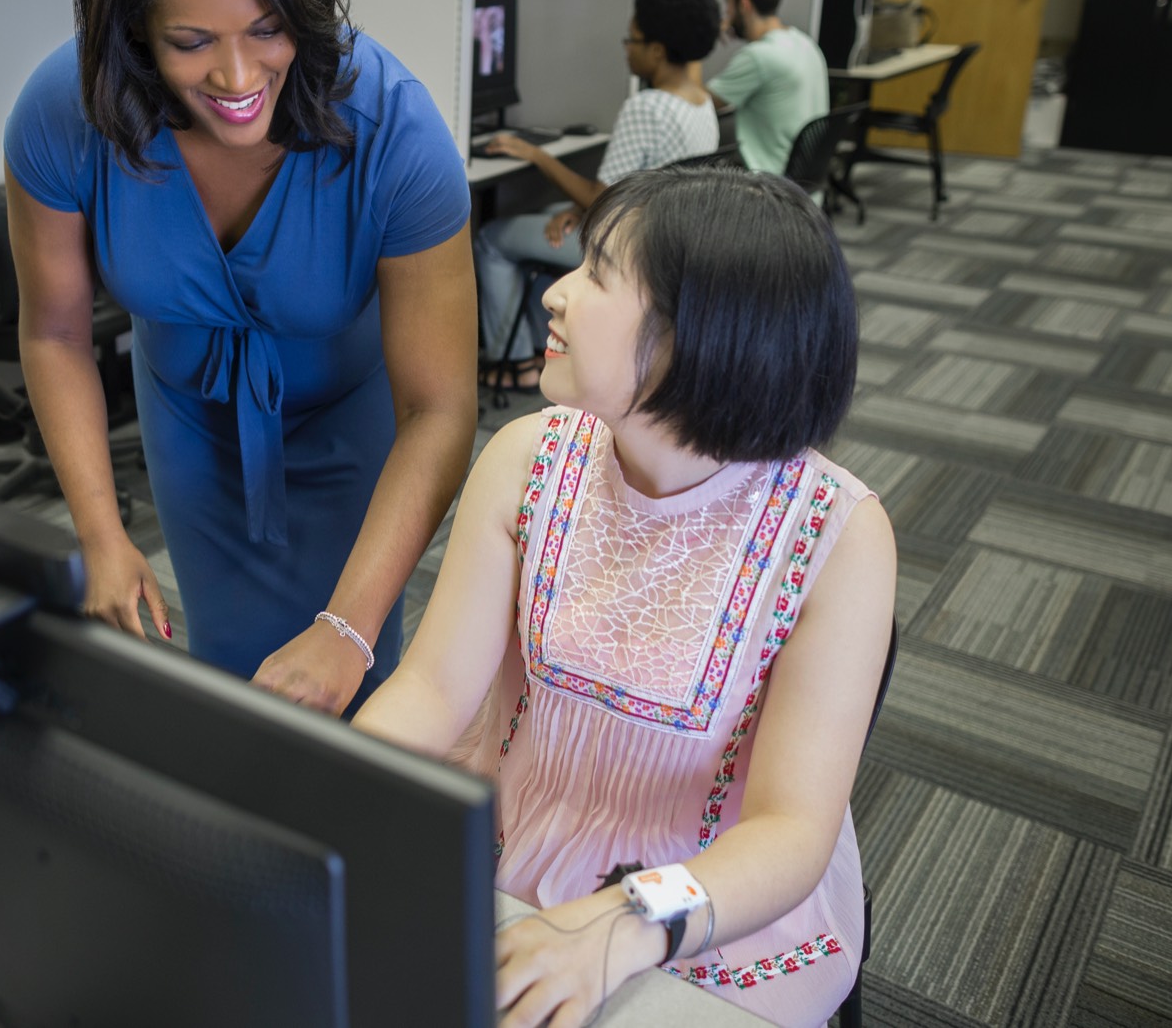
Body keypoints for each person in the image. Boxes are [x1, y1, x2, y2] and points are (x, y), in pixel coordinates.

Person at [355, 165, 895, 1028]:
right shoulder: (528, 457)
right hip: (510, 838)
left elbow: (792, 828)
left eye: (599, 273)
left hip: (709, 900)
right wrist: (321, 785)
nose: (557, 294)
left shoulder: (837, 535)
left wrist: (627, 918)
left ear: (700, 336)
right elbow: (431, 690)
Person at [4, 0, 478, 716]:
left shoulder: (394, 129)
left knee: (357, 684)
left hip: (356, 423)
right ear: (134, 33)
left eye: (268, 28)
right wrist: (102, 534)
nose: (236, 76)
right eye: (190, 41)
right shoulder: (63, 115)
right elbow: (56, 332)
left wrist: (346, 627)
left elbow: (443, 407)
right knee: (229, 670)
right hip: (188, 415)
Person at [474, 0, 722, 384]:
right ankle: (542, 347)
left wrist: (535, 154)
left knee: (492, 239)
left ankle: (514, 363)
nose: (626, 49)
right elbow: (632, 184)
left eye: (633, 40)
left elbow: (600, 197)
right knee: (552, 216)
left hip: (626, 246)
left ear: (657, 51)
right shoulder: (700, 101)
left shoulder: (646, 107)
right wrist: (577, 207)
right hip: (662, 239)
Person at [706, 0, 829, 176]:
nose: (727, 14)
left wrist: (700, 40)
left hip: (768, 190)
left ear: (744, 4)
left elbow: (699, 103)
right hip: (806, 188)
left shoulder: (759, 57)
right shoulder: (805, 43)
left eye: (728, 4)